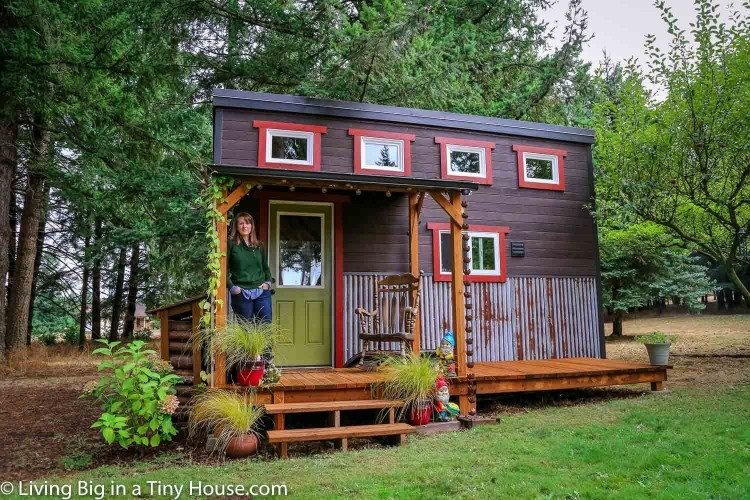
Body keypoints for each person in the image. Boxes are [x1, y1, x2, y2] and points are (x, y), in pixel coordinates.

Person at [228, 212, 273, 323]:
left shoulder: (259, 246)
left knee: (265, 326)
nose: (245, 226)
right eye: (241, 223)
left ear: (252, 226)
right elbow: (224, 270)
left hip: (261, 292)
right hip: (241, 292)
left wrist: (268, 283)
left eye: (247, 223)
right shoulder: (231, 244)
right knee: (246, 329)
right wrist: (232, 287)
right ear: (236, 226)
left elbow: (265, 267)